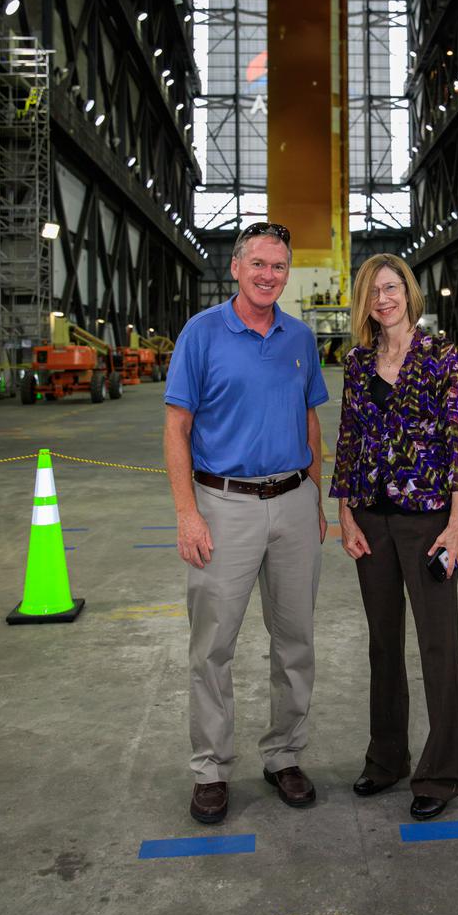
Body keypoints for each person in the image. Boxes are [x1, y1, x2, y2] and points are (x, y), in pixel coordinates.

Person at [164, 222, 329, 825]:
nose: (268, 275)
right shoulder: (201, 334)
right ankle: (211, 767)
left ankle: (284, 754)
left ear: (288, 273)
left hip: (292, 502)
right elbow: (177, 429)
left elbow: (311, 423)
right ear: (236, 268)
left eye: (279, 267)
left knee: (296, 644)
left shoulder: (301, 338)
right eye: (258, 264)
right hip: (222, 505)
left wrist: (314, 499)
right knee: (213, 646)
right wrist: (187, 513)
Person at [330, 254, 458, 822]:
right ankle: (386, 759)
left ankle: (440, 775)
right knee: (382, 644)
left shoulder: (440, 356)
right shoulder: (358, 361)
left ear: (407, 294)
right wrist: (344, 514)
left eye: (391, 288)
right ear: (363, 304)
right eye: (372, 292)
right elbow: (347, 441)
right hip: (370, 520)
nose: (383, 299)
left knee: (439, 647)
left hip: (428, 520)